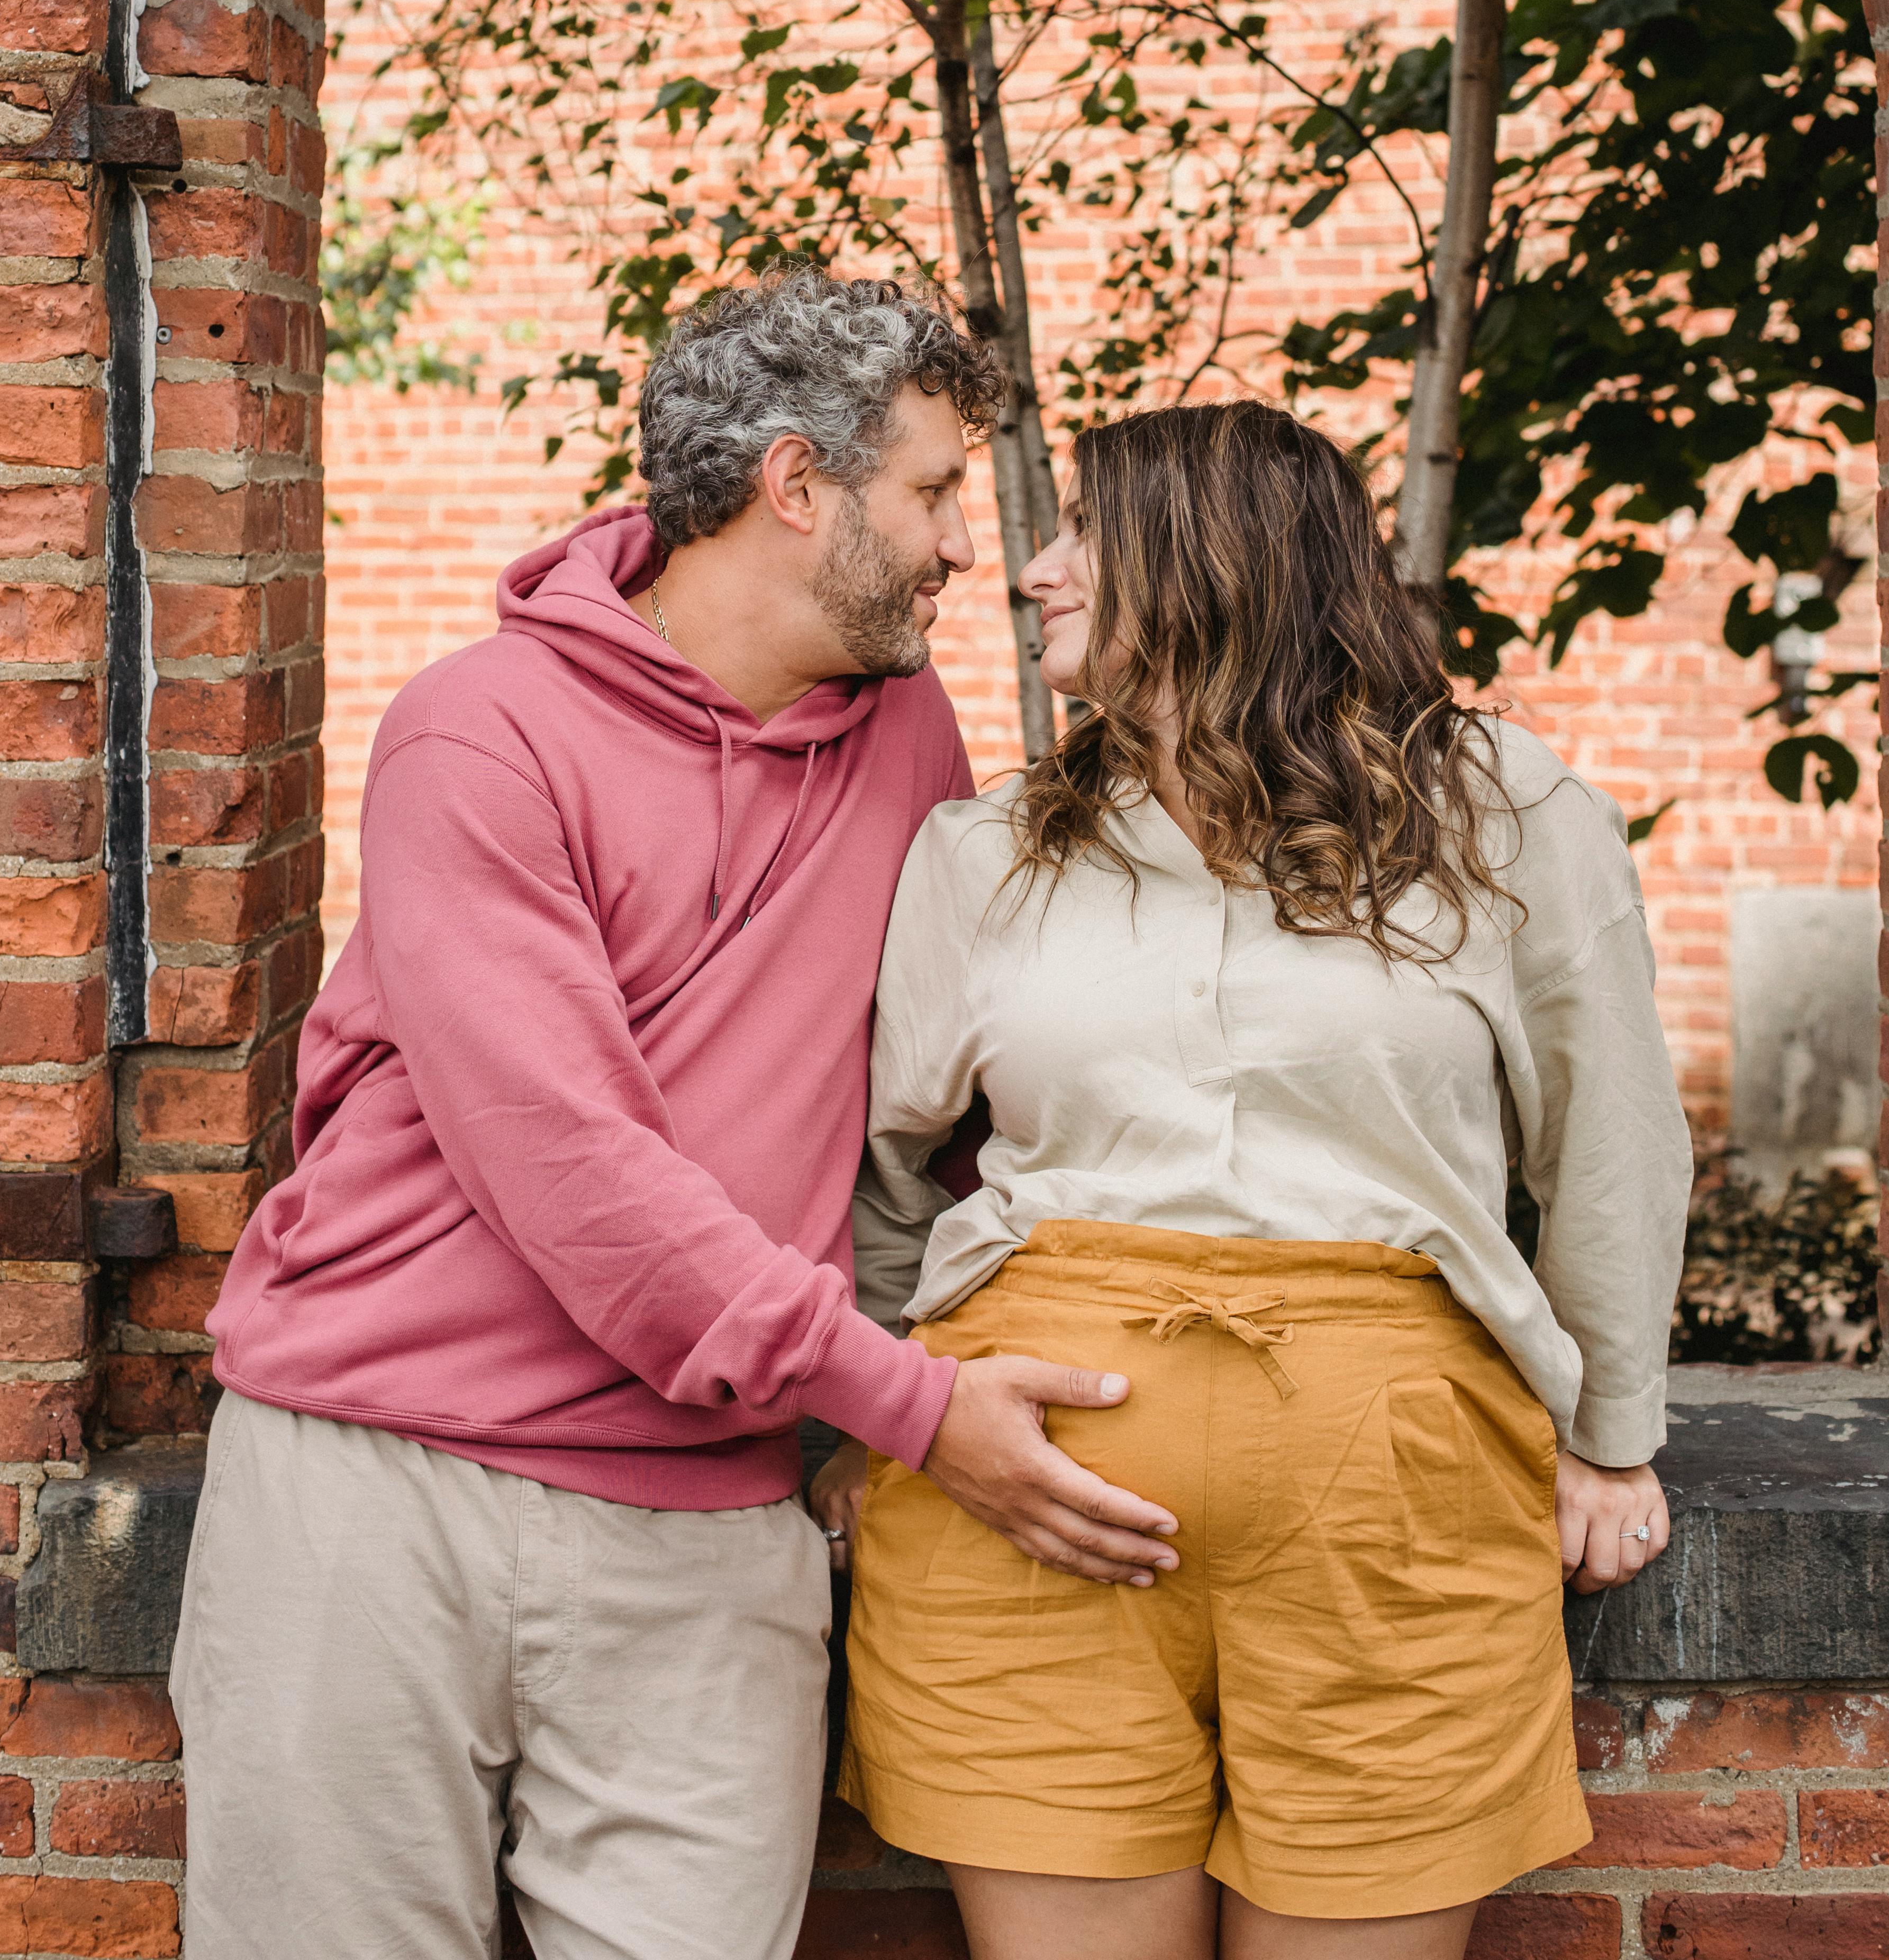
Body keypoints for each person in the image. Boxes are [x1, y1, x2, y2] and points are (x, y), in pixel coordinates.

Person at [172, 270, 1181, 1960]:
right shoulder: (479, 737)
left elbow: (949, 1112)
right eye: (934, 490)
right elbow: (570, 1168)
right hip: (373, 1492)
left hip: (712, 1523)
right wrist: (914, 1406)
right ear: (799, 486)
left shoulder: (910, 740)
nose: (964, 546)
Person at [815, 400, 1694, 1960]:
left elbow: (1610, 1137)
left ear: (1217, 561)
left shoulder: (1498, 817)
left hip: (1393, 1524)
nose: (1036, 569)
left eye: (1089, 532)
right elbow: (887, 1171)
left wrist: (1613, 1434)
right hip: (1021, 1527)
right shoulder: (991, 851)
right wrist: (875, 1418)